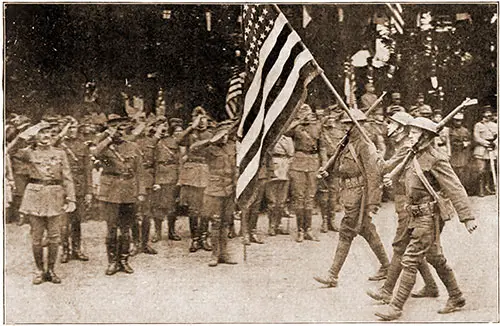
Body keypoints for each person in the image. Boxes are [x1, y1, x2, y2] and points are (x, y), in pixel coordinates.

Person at [375, 117, 477, 321]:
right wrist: (391, 179)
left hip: (428, 217)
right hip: (415, 214)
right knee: (434, 257)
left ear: (424, 137)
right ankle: (456, 296)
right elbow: (408, 179)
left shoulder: (435, 158)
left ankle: (395, 307)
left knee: (410, 259)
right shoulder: (414, 154)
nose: (409, 135)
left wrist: (467, 217)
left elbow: (455, 187)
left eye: (413, 133)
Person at [366, 111, 439, 303]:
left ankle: (387, 291)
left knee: (401, 246)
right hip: (403, 201)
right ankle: (431, 286)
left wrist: (372, 153)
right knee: (412, 247)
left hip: (409, 203)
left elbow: (386, 168)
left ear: (401, 128)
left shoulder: (407, 148)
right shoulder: (404, 146)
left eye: (391, 123)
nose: (388, 126)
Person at [314, 109, 390, 286]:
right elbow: (341, 165)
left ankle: (332, 275)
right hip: (348, 192)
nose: (344, 128)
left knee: (346, 231)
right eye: (344, 124)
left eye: (349, 125)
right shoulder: (348, 143)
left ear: (358, 125)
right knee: (366, 230)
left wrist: (373, 203)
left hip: (359, 194)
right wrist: (327, 170)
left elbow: (373, 175)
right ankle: (387, 266)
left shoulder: (364, 145)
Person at [17, 121, 76, 284]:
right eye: (42, 133)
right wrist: (28, 132)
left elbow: (67, 177)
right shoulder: (28, 153)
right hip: (35, 196)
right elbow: (12, 150)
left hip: (55, 196)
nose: (46, 136)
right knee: (37, 237)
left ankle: (50, 270)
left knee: (54, 237)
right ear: (35, 136)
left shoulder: (60, 153)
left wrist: (71, 198)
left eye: (49, 133)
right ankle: (38, 270)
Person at [90, 114, 146, 275]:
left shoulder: (132, 147)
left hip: (128, 190)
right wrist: (108, 138)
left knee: (126, 228)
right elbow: (96, 154)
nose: (119, 132)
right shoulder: (104, 146)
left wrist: (140, 191)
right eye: (116, 129)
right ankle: (112, 262)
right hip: (110, 192)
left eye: (122, 128)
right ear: (109, 130)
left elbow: (140, 171)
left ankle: (124, 260)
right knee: (112, 229)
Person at [190, 120, 238, 266]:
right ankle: (215, 254)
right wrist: (211, 140)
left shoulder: (232, 147)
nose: (225, 136)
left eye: (227, 134)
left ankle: (224, 254)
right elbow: (193, 149)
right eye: (223, 134)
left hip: (229, 188)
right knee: (216, 222)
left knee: (226, 223)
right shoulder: (210, 148)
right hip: (214, 189)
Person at [177, 107, 214, 252]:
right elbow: (178, 140)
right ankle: (194, 239)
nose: (202, 122)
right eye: (198, 119)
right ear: (194, 120)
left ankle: (204, 238)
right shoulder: (189, 134)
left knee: (206, 208)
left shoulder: (210, 134)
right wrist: (190, 128)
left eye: (204, 119)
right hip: (191, 173)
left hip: (206, 171)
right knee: (193, 209)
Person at [284, 104, 321, 242]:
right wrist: (298, 121)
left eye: (307, 111)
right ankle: (300, 230)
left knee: (310, 197)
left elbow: (321, 146)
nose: (305, 114)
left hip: (313, 162)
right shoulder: (296, 127)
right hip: (298, 162)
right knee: (299, 196)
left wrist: (323, 165)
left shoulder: (317, 125)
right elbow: (284, 131)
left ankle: (309, 230)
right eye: (302, 112)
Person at [57, 121, 91, 263]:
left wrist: (89, 191)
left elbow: (88, 170)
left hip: (79, 186)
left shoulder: (83, 146)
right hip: (63, 186)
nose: (72, 130)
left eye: (74, 127)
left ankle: (77, 249)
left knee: (77, 220)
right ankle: (65, 250)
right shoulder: (59, 145)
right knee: (64, 221)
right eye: (69, 127)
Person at [151, 118, 185, 242]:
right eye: (159, 125)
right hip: (158, 174)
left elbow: (179, 161)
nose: (163, 128)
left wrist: (180, 178)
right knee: (158, 206)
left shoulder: (174, 141)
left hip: (171, 175)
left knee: (171, 206)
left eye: (165, 126)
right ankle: (157, 232)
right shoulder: (153, 141)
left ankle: (171, 231)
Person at [130, 121, 158, 255]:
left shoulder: (152, 141)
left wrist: (157, 181)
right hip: (132, 180)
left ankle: (145, 243)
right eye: (138, 125)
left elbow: (157, 162)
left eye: (144, 125)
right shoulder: (128, 140)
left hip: (148, 179)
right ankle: (135, 243)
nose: (142, 128)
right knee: (135, 213)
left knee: (147, 214)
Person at [318, 109, 344, 233]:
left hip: (335, 165)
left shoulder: (340, 133)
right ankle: (324, 220)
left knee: (334, 194)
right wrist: (324, 167)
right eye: (329, 118)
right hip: (323, 165)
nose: (331, 120)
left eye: (333, 118)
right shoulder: (321, 133)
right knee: (324, 194)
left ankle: (332, 221)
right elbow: (322, 150)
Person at [266, 135, 295, 236]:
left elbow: (291, 154)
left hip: (285, 168)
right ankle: (272, 225)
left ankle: (279, 224)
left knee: (282, 201)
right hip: (273, 168)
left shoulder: (288, 139)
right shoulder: (270, 137)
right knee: (272, 201)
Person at [473, 108, 497, 196]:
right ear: (482, 115)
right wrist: (487, 143)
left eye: (489, 115)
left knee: (491, 170)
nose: (487, 117)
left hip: (492, 150)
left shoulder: (495, 125)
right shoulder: (478, 125)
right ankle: (481, 190)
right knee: (481, 170)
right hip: (481, 150)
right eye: (485, 115)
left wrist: (493, 143)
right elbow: (476, 137)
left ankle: (489, 188)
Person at [449, 112, 471, 188]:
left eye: (460, 120)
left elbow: (469, 140)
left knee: (462, 171)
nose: (458, 122)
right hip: (453, 152)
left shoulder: (465, 131)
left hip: (462, 153)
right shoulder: (449, 130)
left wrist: (467, 143)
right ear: (453, 121)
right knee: (453, 171)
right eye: (456, 120)